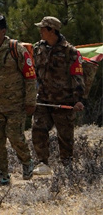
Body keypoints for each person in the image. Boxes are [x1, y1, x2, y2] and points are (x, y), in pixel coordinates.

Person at [0, 15, 37, 186]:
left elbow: (30, 76)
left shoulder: (17, 49)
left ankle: (27, 162)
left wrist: (30, 101)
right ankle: (2, 173)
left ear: (3, 31)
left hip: (16, 105)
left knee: (15, 136)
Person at [31, 16, 85, 175]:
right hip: (43, 100)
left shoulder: (70, 51)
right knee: (38, 129)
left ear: (52, 30)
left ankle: (67, 167)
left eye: (43, 28)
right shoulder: (38, 48)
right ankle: (43, 163)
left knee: (65, 137)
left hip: (64, 101)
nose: (40, 31)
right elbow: (34, 73)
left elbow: (78, 76)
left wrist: (79, 100)